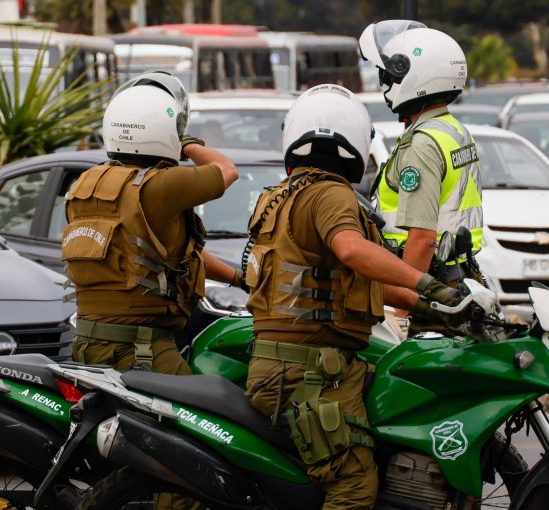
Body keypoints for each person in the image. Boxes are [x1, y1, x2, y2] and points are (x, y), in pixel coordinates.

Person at [241, 84, 473, 509]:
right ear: (357, 141)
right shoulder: (330, 193)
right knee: (354, 485)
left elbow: (356, 280)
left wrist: (437, 306)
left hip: (293, 363)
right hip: (309, 372)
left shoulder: (281, 195)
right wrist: (427, 284)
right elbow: (351, 250)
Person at [62, 71, 241, 374]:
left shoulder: (86, 184)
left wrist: (237, 278)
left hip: (86, 344)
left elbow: (172, 254)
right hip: (142, 348)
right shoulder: (162, 185)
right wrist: (186, 143)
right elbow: (226, 169)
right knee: (204, 403)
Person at [358, 21, 483, 312]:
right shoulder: (453, 129)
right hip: (455, 276)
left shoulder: (422, 144)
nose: (384, 84)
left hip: (424, 284)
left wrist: (403, 312)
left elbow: (423, 238)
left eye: (387, 75)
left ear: (410, 75)